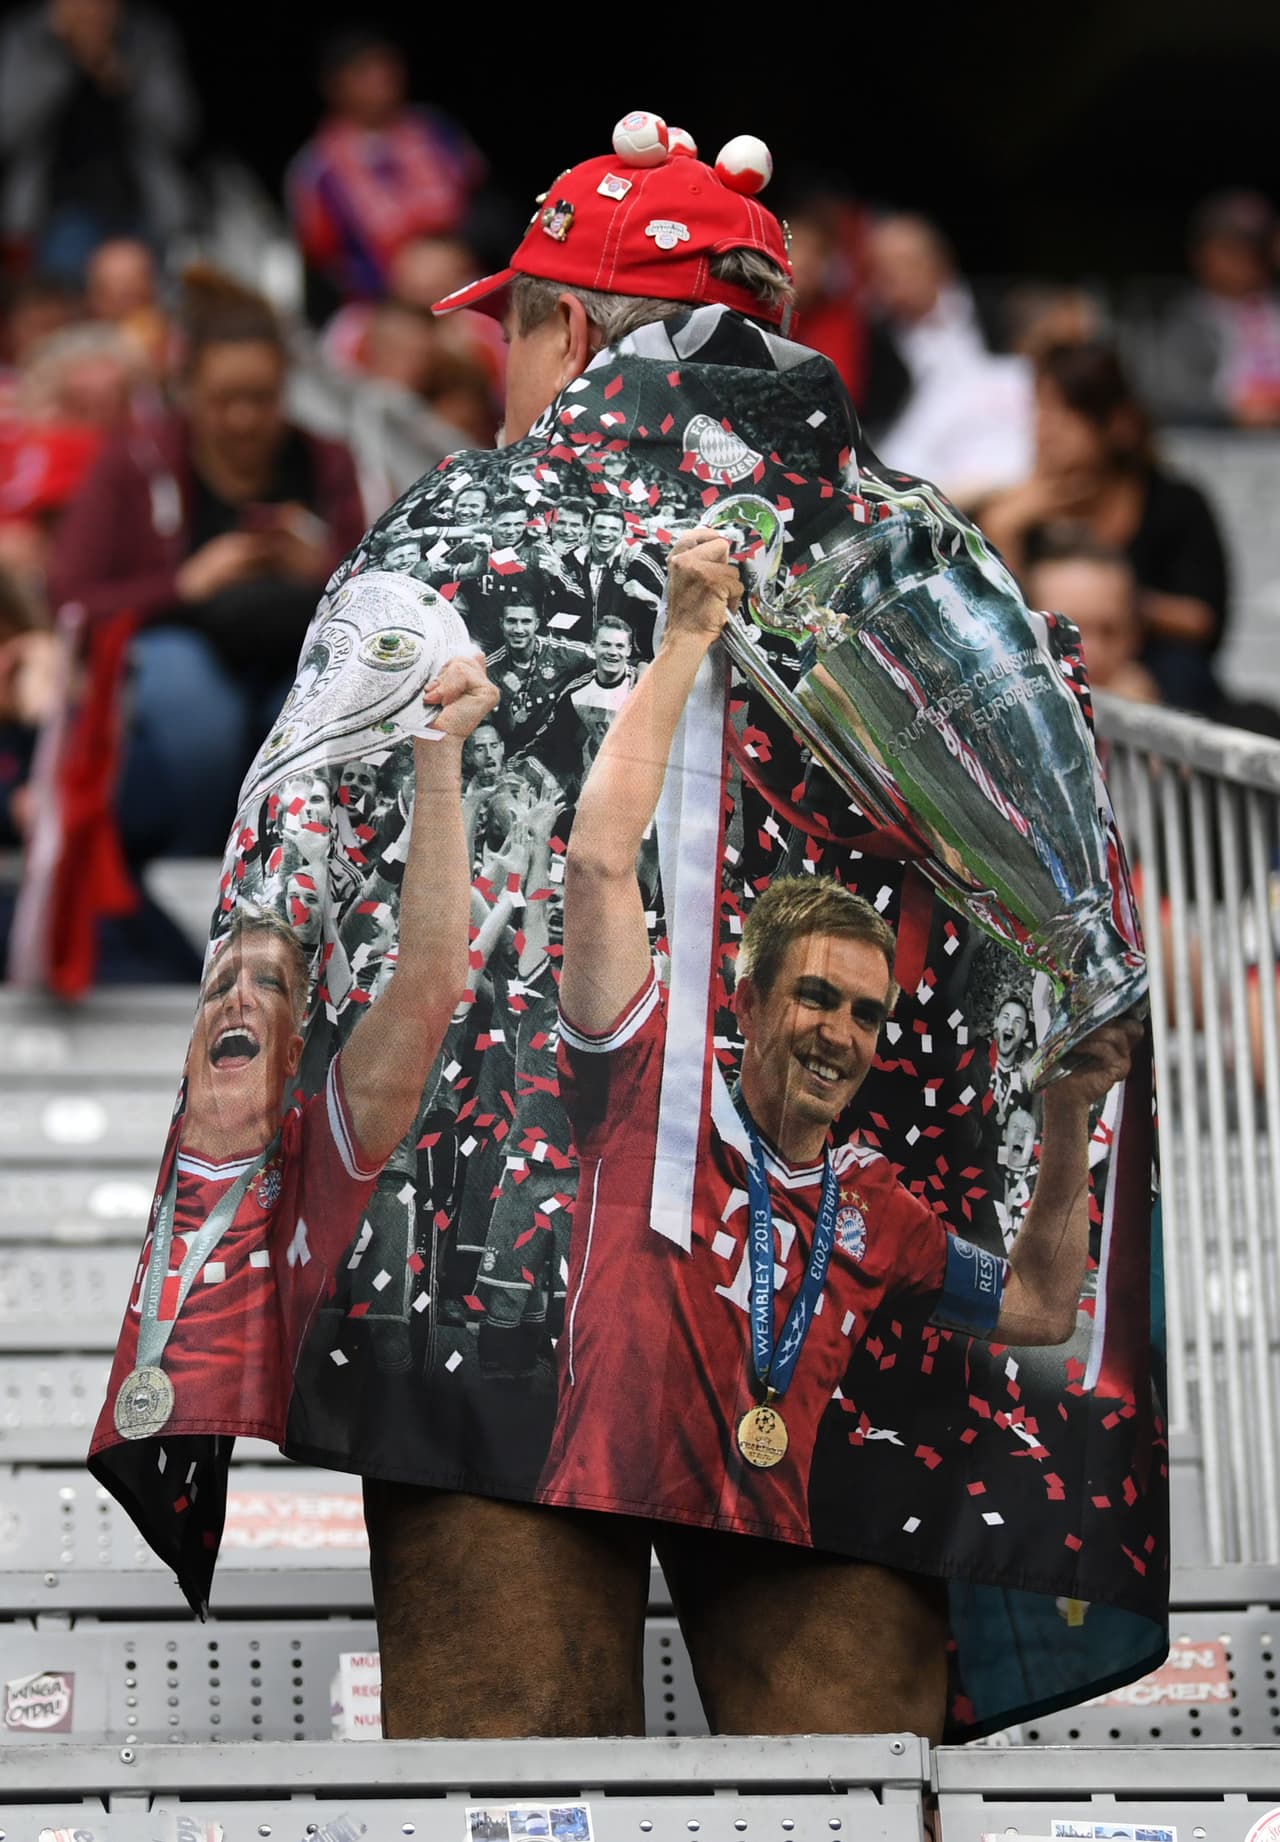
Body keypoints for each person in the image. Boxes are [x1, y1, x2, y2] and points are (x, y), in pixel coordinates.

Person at [90, 118, 1164, 1748]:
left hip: (483, 1286)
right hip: (833, 1301)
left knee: (513, 1790)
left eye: (514, 325)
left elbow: (278, 880)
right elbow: (1070, 947)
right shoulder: (944, 567)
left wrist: (211, 1271)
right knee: (843, 1796)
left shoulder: (445, 537)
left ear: (570, 331)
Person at [531, 528, 1140, 1737]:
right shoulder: (647, 1086)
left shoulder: (873, 1209)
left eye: (864, 1013)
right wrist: (682, 646)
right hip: (583, 1505)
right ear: (746, 1001)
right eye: (812, 998)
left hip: (779, 1543)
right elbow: (602, 864)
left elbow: (1034, 1308)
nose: (838, 1036)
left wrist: (1068, 1112)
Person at [96, 647, 497, 1438]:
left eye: (270, 986)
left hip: (301, 1440)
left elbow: (425, 983)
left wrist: (439, 757)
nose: (239, 996)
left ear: (291, 1048)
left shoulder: (322, 1142)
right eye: (222, 985)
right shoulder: (171, 1161)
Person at [49, 268, 366, 857]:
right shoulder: (135, 462)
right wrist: (186, 584)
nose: (244, 420)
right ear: (187, 390)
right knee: (193, 700)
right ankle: (192, 867)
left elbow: (382, 590)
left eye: (262, 400)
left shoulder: (326, 461)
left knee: (316, 712)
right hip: (173, 645)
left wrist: (322, 569)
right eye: (224, 401)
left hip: (296, 648)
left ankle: (296, 872)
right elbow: (71, 599)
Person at [979, 341, 1229, 714]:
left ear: (1115, 423)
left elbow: (1200, 618)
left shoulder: (1174, 502)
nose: (1046, 430)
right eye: (1040, 409)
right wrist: (1003, 531)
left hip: (1155, 671)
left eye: (1065, 411)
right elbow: (999, 630)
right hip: (1046, 675)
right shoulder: (1019, 511)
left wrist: (1106, 611)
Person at [286, 27, 484, 308]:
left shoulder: (436, 130)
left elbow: (485, 205)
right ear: (335, 86)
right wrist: (395, 282)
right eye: (364, 72)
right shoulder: (316, 169)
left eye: (386, 67)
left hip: (463, 279)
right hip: (378, 306)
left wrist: (456, 254)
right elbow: (326, 265)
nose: (381, 79)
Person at [0, 0, 197, 280]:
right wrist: (64, 59)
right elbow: (8, 131)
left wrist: (119, 77)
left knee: (148, 309)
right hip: (54, 218)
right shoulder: (28, 37)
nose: (92, 11)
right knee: (68, 309)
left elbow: (179, 130)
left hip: (145, 211)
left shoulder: (146, 37)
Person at [863, 212, 1032, 506]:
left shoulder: (993, 311)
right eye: (883, 271)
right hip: (937, 480)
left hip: (1014, 455)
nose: (894, 279)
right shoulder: (873, 342)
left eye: (905, 264)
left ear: (938, 263)